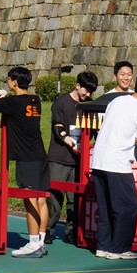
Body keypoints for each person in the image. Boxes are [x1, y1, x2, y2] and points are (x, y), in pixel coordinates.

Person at [0, 67, 49, 258]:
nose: (8, 82)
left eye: (9, 80)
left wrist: (0, 95)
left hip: (26, 158)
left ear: (15, 82)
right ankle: (41, 241)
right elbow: (19, 102)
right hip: (40, 155)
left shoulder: (12, 102)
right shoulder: (36, 100)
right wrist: (7, 95)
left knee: (29, 199)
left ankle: (33, 244)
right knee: (41, 199)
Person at [90, 70, 137, 260]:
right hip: (117, 162)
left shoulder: (116, 101)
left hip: (98, 159)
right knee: (128, 207)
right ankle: (118, 248)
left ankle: (103, 246)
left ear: (135, 84)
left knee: (105, 206)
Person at [45, 71, 98, 245]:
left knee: (75, 199)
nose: (87, 94)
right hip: (59, 157)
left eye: (91, 92)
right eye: (86, 90)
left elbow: (96, 130)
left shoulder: (90, 105)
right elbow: (58, 129)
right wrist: (73, 144)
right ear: (77, 85)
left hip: (80, 160)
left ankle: (72, 232)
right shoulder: (61, 102)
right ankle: (47, 230)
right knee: (54, 197)